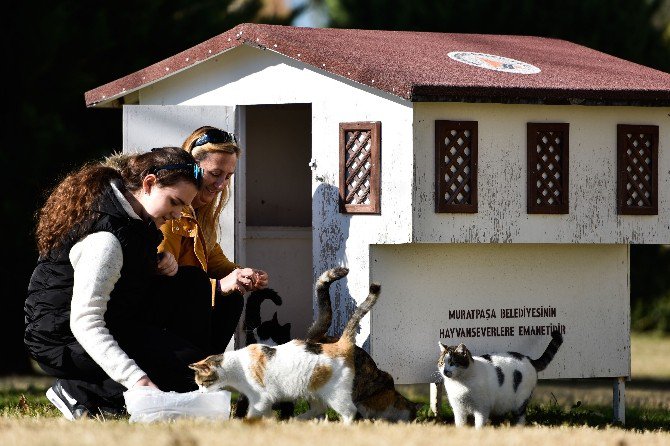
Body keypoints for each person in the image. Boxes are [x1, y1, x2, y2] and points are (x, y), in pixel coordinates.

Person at [24, 147, 207, 420]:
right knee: (183, 372)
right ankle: (81, 391)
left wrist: (158, 262)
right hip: (64, 340)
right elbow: (86, 322)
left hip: (112, 320)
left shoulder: (132, 216)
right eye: (175, 202)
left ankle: (169, 381)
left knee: (191, 283)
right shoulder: (104, 241)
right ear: (148, 183)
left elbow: (126, 270)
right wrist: (137, 380)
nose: (178, 214)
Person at [157, 126, 269, 355]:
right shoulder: (171, 212)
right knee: (219, 293)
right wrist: (217, 286)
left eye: (228, 176)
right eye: (215, 174)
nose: (222, 185)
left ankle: (204, 371)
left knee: (232, 298)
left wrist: (243, 274)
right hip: (161, 318)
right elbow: (160, 281)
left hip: (186, 313)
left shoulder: (201, 214)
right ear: (192, 168)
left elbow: (215, 261)